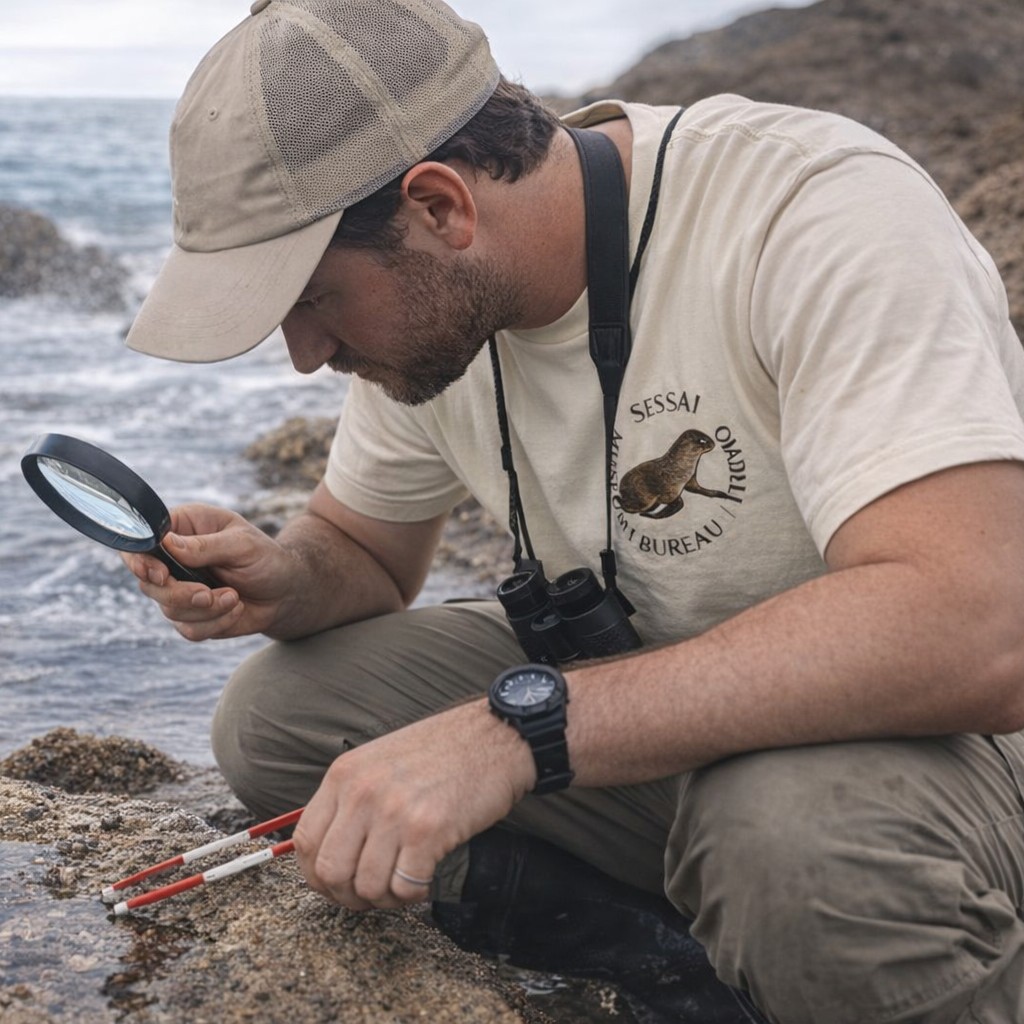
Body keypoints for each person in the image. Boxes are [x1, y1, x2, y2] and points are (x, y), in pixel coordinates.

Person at [122, 0, 1024, 1020]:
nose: (304, 356)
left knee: (788, 844)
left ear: (440, 207)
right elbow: (365, 554)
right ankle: (675, 964)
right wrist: (283, 577)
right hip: (672, 715)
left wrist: (516, 736)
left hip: (940, 735)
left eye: (311, 299)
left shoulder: (814, 214)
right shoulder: (443, 314)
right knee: (279, 719)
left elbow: (977, 631)